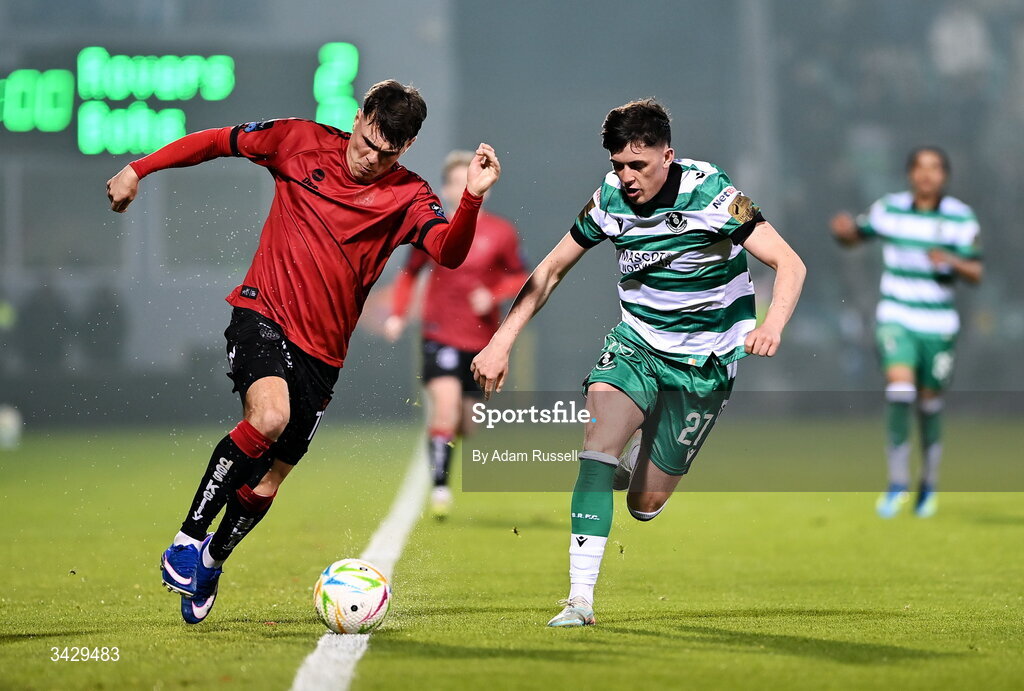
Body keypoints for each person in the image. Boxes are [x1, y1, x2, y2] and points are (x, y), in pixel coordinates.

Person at [105, 80, 501, 624]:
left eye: (385, 153)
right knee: (269, 416)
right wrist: (138, 169)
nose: (368, 159)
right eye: (366, 142)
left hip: (325, 352)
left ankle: (213, 561)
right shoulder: (298, 140)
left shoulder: (410, 195)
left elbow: (448, 253)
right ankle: (187, 538)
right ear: (359, 116)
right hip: (262, 312)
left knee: (271, 477)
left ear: (405, 148)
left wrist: (473, 198)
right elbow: (217, 140)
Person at [471, 99, 805, 627]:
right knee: (595, 447)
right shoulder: (608, 200)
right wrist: (501, 340)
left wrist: (772, 325)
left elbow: (790, 262)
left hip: (705, 364)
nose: (626, 178)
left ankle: (635, 463)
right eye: (617, 165)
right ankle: (580, 599)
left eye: (638, 166)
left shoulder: (715, 194)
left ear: (668, 156)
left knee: (643, 504)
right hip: (638, 346)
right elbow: (552, 270)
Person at [830, 146, 982, 519]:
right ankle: (898, 483)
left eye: (934, 168)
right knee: (900, 390)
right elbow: (856, 236)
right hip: (897, 317)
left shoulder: (960, 218)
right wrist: (845, 232)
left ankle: (927, 484)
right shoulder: (891, 209)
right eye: (920, 167)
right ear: (910, 174)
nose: (926, 175)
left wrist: (950, 260)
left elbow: (975, 272)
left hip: (939, 325)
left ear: (944, 175)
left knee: (929, 406)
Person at [383, 150, 527, 518]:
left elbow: (519, 276)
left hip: (482, 343)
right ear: (447, 188)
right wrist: (398, 315)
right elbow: (408, 274)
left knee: (469, 423)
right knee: (444, 409)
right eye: (457, 181)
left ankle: (444, 444)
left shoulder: (501, 233)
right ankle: (441, 489)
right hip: (439, 334)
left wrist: (492, 294)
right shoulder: (432, 228)